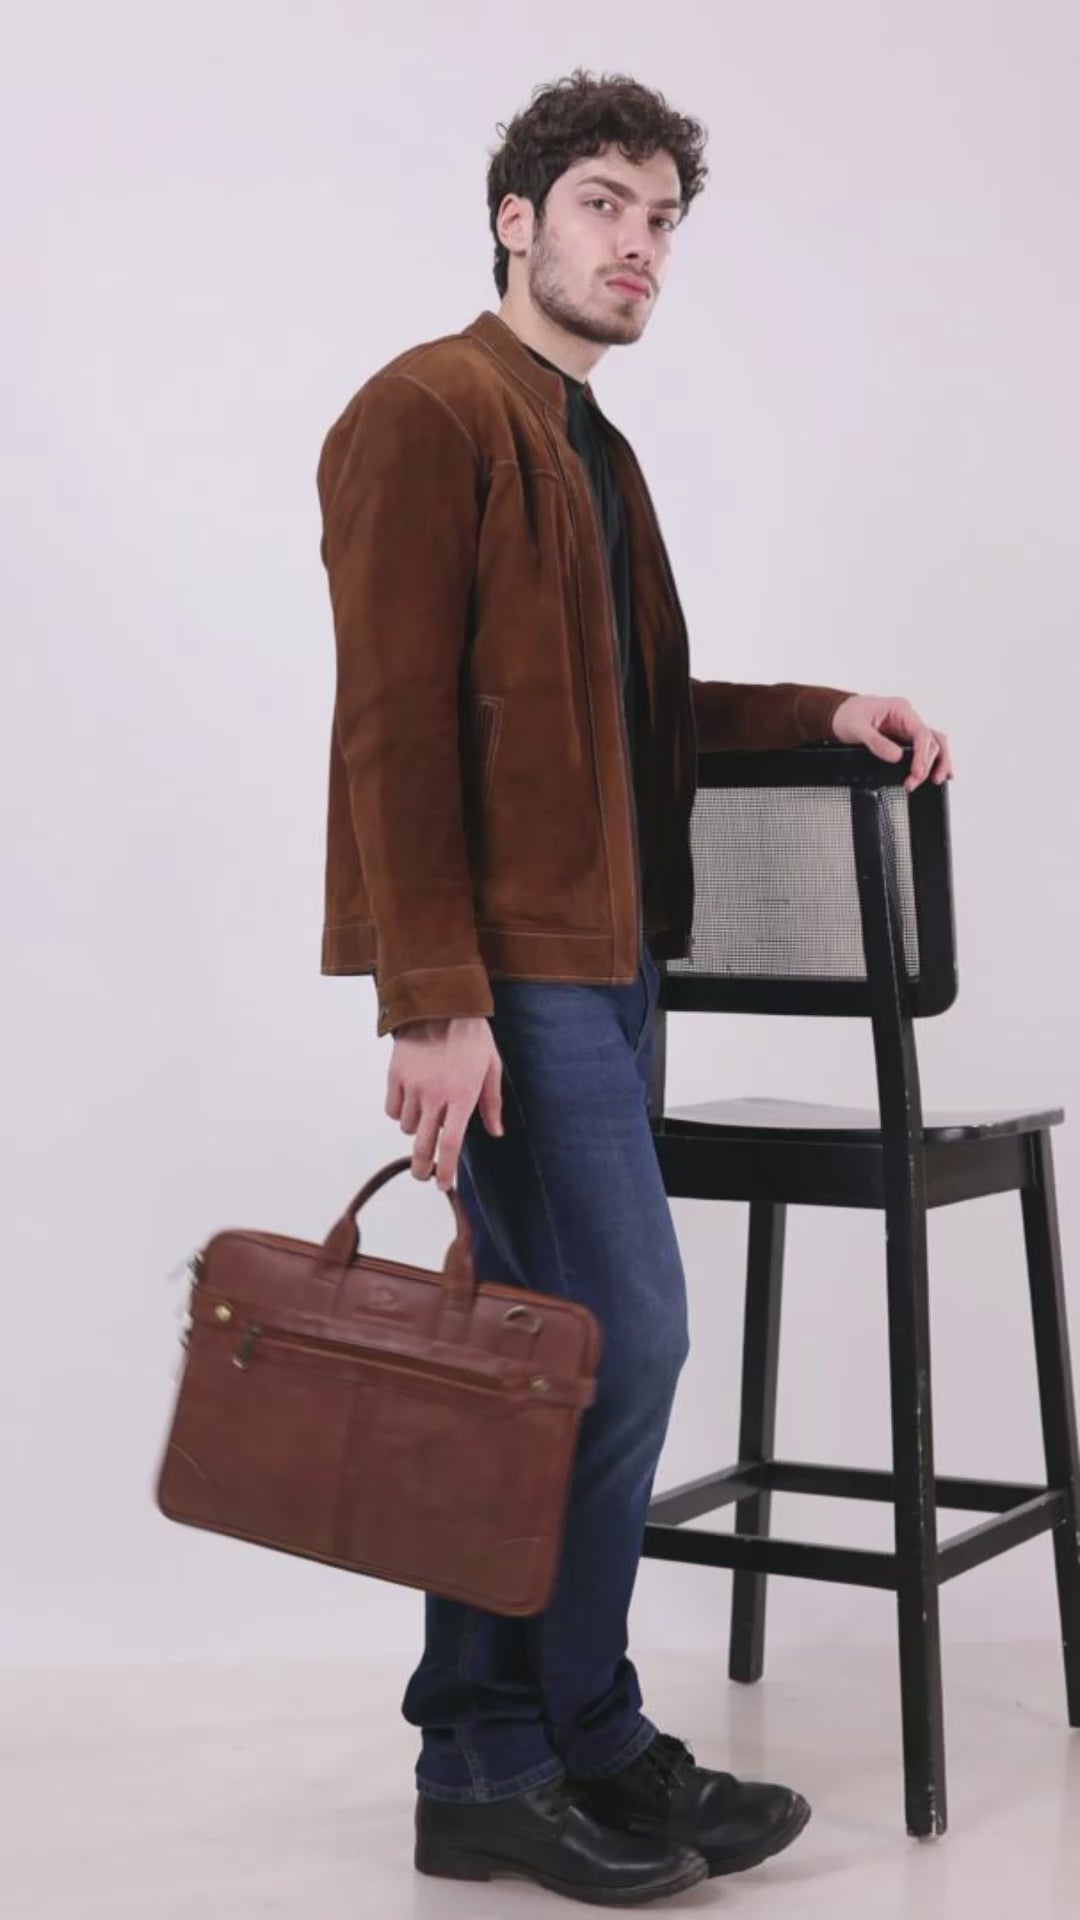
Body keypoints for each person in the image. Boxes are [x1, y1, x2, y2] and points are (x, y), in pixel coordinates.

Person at [316, 66, 953, 1907]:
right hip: (511, 976)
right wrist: (430, 998)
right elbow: (390, 725)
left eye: (664, 218)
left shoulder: (589, 444)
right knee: (620, 1339)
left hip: (607, 966)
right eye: (605, 202)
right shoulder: (427, 411)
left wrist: (821, 711)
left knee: (538, 1357)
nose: (640, 244)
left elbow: (633, 723)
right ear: (516, 218)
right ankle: (535, 1739)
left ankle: (518, 1753)